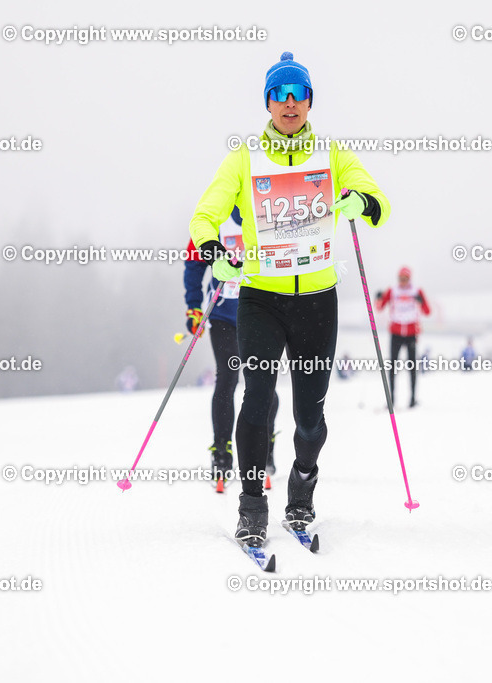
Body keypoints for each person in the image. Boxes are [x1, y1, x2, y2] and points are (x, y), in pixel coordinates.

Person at [189, 52, 391, 547]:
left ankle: (301, 494)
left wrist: (358, 201)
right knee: (256, 398)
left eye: (298, 94)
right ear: (267, 102)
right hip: (261, 300)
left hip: (318, 300)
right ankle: (252, 505)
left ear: (309, 101)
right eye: (278, 95)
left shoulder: (333, 153)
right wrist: (215, 250)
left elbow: (378, 203)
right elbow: (204, 216)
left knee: (309, 415)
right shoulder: (244, 158)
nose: (289, 104)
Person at [183, 207, 279, 486]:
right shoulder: (215, 218)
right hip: (224, 314)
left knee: (262, 383)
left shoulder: (265, 209)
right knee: (227, 379)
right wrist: (193, 307)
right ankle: (222, 453)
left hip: (261, 313)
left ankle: (265, 447)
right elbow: (193, 261)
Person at [376, 267, 431, 407]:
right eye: (400, 278)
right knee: (392, 367)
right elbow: (380, 307)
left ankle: (412, 399)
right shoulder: (392, 291)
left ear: (409, 278)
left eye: (405, 278)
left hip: (411, 334)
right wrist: (378, 298)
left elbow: (427, 311)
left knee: (412, 367)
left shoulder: (417, 291)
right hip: (396, 333)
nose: (403, 281)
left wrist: (421, 302)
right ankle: (391, 400)